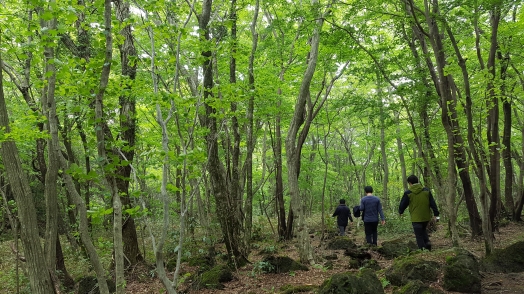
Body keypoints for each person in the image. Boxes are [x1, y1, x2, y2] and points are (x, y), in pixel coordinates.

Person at [399, 175, 440, 251]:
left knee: (419, 235)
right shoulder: (426, 191)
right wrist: (436, 214)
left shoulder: (408, 193)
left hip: (415, 218)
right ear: (417, 181)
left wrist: (400, 211)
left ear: (410, 183)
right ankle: (428, 244)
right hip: (426, 217)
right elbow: (433, 203)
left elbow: (403, 204)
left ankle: (422, 250)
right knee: (423, 230)